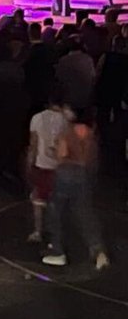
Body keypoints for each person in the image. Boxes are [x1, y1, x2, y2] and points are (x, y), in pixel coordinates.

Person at [42, 106, 110, 271]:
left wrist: (52, 151)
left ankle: (57, 251)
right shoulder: (90, 134)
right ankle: (98, 251)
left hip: (66, 174)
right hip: (83, 174)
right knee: (84, 212)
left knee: (56, 212)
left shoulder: (67, 132)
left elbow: (62, 155)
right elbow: (93, 159)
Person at [26, 90, 67, 244]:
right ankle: (55, 233)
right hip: (58, 166)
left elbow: (33, 145)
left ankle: (38, 231)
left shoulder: (37, 118)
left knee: (38, 199)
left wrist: (29, 163)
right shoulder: (64, 121)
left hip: (41, 164)